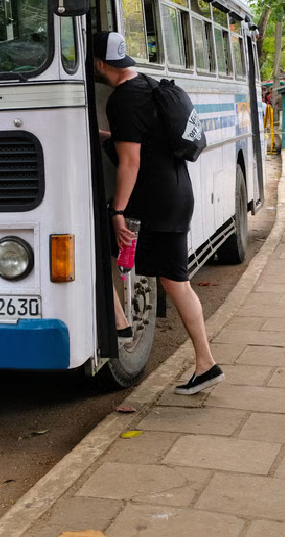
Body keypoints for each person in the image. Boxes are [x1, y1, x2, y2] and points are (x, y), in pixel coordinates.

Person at [93, 31, 221, 395]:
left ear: (101, 64)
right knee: (174, 280)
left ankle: (203, 361)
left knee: (101, 246)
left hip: (155, 201)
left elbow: (131, 162)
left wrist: (118, 210)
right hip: (176, 192)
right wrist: (104, 136)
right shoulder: (147, 85)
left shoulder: (121, 100)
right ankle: (199, 359)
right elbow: (139, 142)